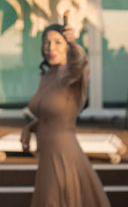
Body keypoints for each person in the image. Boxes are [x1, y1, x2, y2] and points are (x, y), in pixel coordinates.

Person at [21, 22, 110, 207]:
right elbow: (50, 115)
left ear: (67, 46)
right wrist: (30, 127)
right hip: (46, 153)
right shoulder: (47, 76)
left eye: (57, 42)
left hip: (62, 152)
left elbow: (82, 63)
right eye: (46, 43)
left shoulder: (73, 75)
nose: (50, 48)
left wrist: (74, 44)